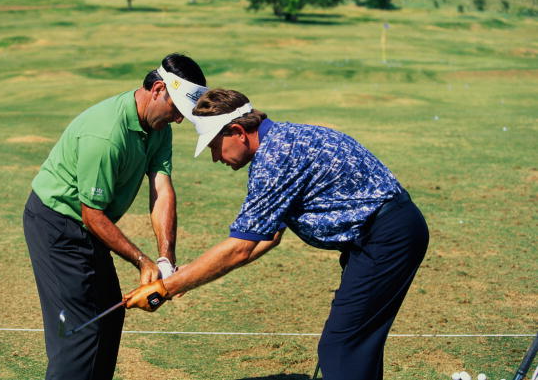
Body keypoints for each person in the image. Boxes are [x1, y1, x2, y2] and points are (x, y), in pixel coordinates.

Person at [125, 88, 430, 380]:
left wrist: (165, 288)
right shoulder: (282, 140)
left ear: (238, 132)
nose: (215, 158)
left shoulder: (275, 158)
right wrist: (185, 280)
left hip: (387, 237)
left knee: (340, 345)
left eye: (215, 146)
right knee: (354, 343)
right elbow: (267, 237)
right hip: (383, 234)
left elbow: (240, 248)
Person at [22, 53, 208, 380]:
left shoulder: (158, 127)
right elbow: (91, 214)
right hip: (57, 225)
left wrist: (165, 258)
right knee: (84, 331)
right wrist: (142, 261)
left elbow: (162, 189)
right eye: (177, 109)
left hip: (88, 226)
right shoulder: (106, 135)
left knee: (107, 317)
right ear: (157, 90)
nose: (179, 120)